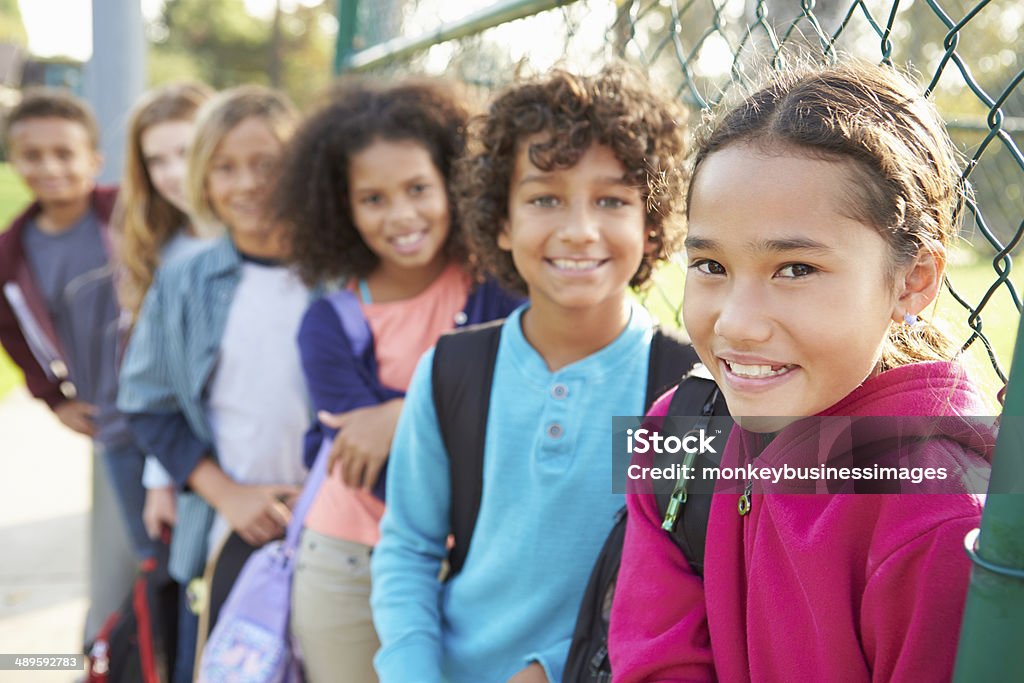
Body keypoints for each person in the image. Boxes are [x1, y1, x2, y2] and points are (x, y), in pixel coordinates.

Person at [609, 61, 995, 682]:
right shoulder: (673, 437)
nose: (736, 323)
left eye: (795, 269)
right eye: (710, 265)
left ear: (913, 281)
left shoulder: (939, 518)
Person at [369, 65, 689, 683]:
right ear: (504, 221)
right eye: (545, 198)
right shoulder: (456, 370)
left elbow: (674, 582)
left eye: (612, 200)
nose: (578, 230)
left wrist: (552, 665)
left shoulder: (677, 391)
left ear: (649, 226)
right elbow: (409, 549)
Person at [275, 78, 522, 683]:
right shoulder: (329, 324)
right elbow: (377, 465)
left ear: (455, 184)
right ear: (343, 208)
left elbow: (518, 405)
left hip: (483, 562)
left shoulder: (496, 288)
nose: (402, 216)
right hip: (349, 560)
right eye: (374, 199)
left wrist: (396, 414)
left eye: (418, 188)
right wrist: (443, 413)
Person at [116, 85, 306, 677]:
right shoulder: (183, 284)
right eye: (225, 167)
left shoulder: (344, 276)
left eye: (265, 164)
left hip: (332, 527)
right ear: (203, 178)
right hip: (228, 534)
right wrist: (224, 491)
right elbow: (148, 405)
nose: (246, 183)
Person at [0, 87, 138, 644]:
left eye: (64, 153)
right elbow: (10, 330)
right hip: (112, 424)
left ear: (94, 160)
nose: (50, 167)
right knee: (121, 559)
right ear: (13, 161)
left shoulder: (130, 214)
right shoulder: (12, 253)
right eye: (32, 155)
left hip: (180, 410)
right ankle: (107, 655)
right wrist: (53, 397)